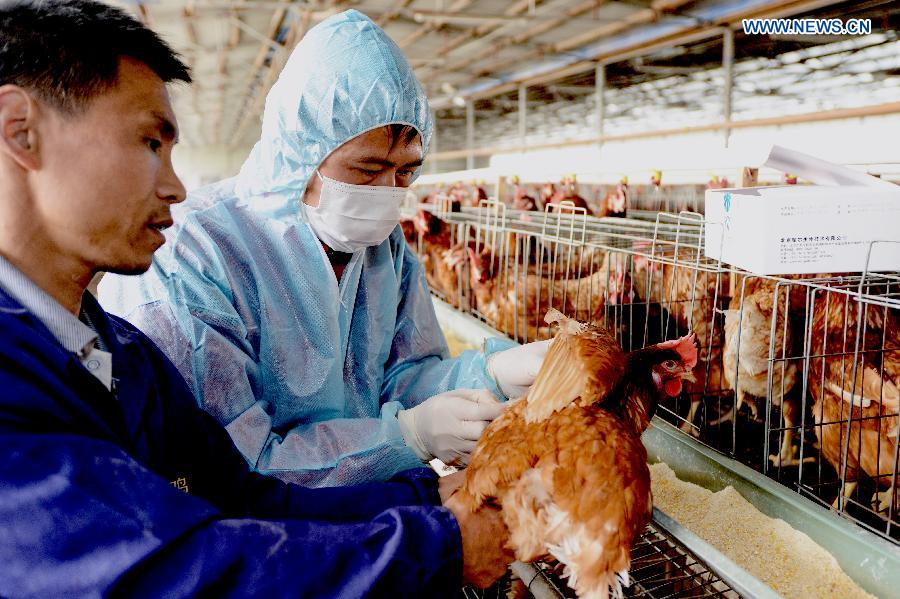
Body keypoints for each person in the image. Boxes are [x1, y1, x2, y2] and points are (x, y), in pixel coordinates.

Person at [0, 0, 512, 595]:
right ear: (21, 130)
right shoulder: (16, 371)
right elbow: (172, 572)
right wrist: (435, 548)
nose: (176, 185)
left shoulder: (123, 356)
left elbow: (244, 497)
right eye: (148, 142)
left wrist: (423, 493)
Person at [100, 8, 550, 487]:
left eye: (404, 172)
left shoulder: (385, 250)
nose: (386, 192)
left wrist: (491, 375)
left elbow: (407, 376)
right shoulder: (194, 251)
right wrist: (407, 437)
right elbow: (230, 462)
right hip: (257, 537)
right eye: (365, 169)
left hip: (370, 516)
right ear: (300, 154)